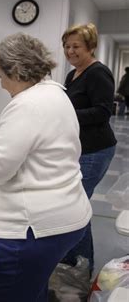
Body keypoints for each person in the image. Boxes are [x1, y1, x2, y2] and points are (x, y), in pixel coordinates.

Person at [0, 33, 92, 302]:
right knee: (32, 289)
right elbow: (39, 149)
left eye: (1, 75)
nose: (0, 83)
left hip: (35, 228)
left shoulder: (25, 105)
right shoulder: (54, 92)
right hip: (67, 213)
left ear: (17, 71)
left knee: (9, 296)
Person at [61, 23, 117, 274]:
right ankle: (72, 259)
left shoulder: (98, 73)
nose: (70, 51)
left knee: (77, 206)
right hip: (78, 148)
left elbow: (104, 111)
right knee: (73, 205)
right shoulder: (72, 74)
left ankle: (83, 265)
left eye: (76, 46)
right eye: (67, 46)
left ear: (91, 47)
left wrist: (66, 113)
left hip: (96, 150)